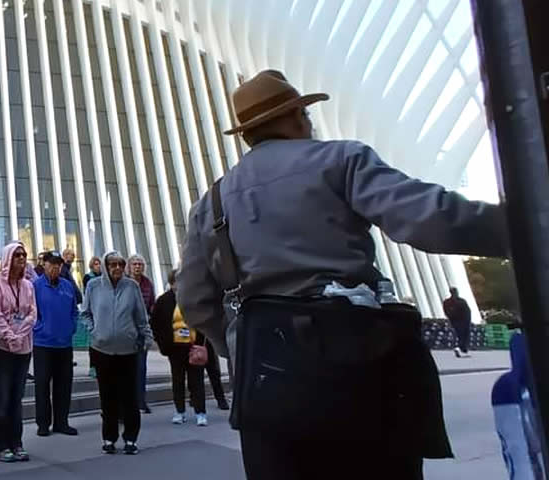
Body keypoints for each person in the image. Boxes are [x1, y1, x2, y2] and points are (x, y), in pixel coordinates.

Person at [177, 70, 508, 479]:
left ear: (247, 134)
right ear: (298, 115)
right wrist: (521, 226)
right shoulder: (339, 160)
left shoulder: (211, 204)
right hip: (359, 369)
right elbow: (432, 220)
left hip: (267, 387)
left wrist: (240, 343)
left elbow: (193, 299)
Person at [82, 251, 150, 455]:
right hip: (102, 349)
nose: (117, 268)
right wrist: (93, 330)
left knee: (129, 397)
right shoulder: (93, 286)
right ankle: (109, 437)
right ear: (105, 266)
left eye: (120, 264)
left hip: (128, 350)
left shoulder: (132, 287)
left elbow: (141, 316)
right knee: (107, 396)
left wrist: (145, 338)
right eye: (112, 264)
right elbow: (85, 313)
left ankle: (131, 438)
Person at [0, 242, 37, 463]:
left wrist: (20, 336)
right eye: (17, 254)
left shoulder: (28, 285)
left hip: (23, 348)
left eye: (24, 255)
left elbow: (32, 314)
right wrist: (10, 336)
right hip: (2, 350)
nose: (21, 258)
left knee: (17, 398)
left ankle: (17, 442)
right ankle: (1, 444)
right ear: (8, 257)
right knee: (3, 396)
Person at [149, 270, 208, 427]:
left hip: (193, 345)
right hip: (174, 347)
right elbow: (155, 323)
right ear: (172, 283)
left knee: (197, 380)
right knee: (178, 380)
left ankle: (200, 412)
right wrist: (162, 343)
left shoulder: (194, 298)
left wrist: (201, 342)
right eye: (177, 281)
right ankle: (179, 411)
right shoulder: (163, 300)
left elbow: (204, 319)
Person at [32, 251, 79, 437]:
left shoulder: (67, 286)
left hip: (64, 344)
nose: (55, 268)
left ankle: (62, 422)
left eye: (58, 265)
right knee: (42, 385)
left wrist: (71, 327)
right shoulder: (35, 286)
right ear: (44, 265)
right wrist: (39, 328)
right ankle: (43, 423)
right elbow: (31, 311)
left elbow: (74, 310)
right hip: (43, 344)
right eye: (52, 264)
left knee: (64, 385)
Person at [127, 255, 156, 414]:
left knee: (141, 368)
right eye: (134, 264)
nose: (137, 267)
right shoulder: (124, 282)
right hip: (125, 331)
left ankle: (141, 401)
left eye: (140, 264)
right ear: (129, 266)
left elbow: (152, 304)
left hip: (141, 331)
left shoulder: (147, 284)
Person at [444, 287, 473, 358]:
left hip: (455, 321)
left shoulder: (447, 302)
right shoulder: (461, 301)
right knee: (463, 336)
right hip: (463, 321)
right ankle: (461, 348)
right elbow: (468, 311)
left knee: (459, 335)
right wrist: (468, 321)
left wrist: (451, 319)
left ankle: (460, 348)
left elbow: (446, 312)